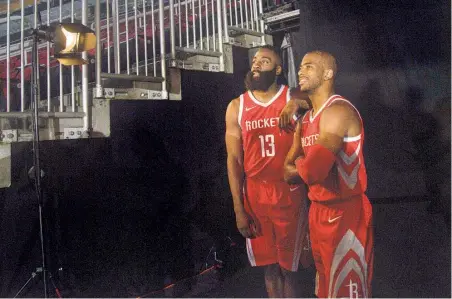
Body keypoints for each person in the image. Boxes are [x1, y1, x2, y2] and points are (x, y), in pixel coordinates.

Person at [282, 50, 374, 298]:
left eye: (309, 66)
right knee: (325, 292)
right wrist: (298, 150)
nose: (301, 70)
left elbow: (312, 171)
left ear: (328, 73)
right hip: (318, 212)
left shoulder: (338, 112)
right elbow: (286, 173)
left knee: (347, 291)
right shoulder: (308, 118)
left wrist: (299, 161)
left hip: (346, 215)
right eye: (300, 66)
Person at [225, 45, 311, 298]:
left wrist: (297, 102)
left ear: (278, 69)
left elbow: (321, 99)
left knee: (291, 270)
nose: (256, 64)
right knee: (269, 269)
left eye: (264, 60)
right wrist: (238, 208)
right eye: (254, 60)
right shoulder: (236, 106)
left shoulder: (291, 96)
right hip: (255, 195)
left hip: (288, 191)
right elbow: (233, 159)